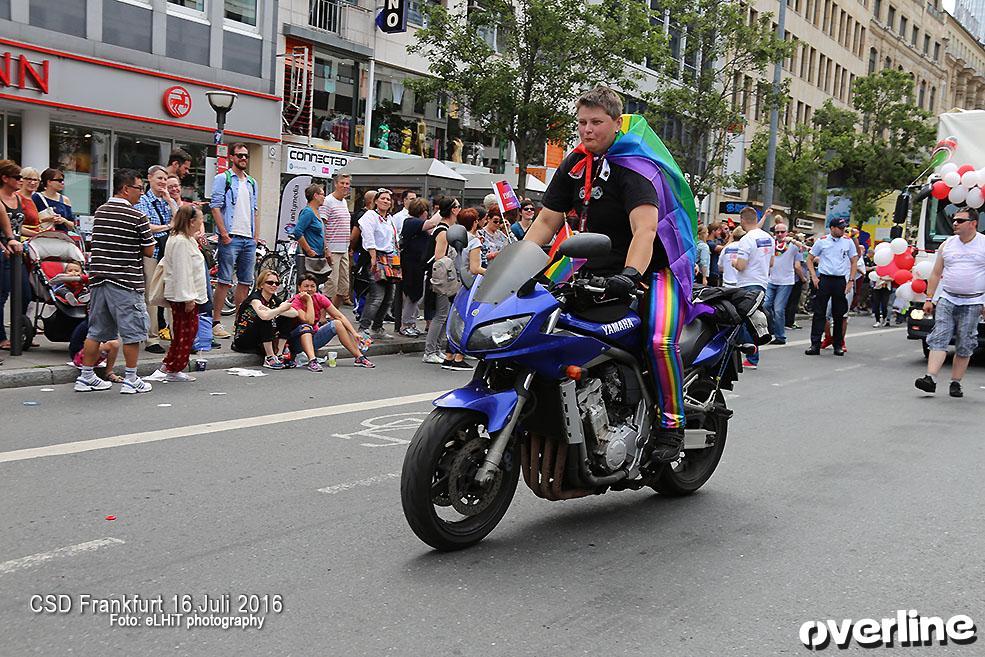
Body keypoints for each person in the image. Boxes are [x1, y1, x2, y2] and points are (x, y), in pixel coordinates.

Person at [525, 86, 698, 463]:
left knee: (659, 341)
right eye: (582, 122)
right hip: (591, 268)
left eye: (596, 122)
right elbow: (546, 221)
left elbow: (645, 231)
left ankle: (672, 425)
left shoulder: (634, 168)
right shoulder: (574, 165)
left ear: (616, 124)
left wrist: (630, 273)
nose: (587, 130)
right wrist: (519, 263)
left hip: (652, 270)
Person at [74, 168, 157, 393]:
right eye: (139, 188)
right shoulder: (137, 216)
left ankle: (86, 376)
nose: (141, 193)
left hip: (99, 280)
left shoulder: (100, 211)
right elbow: (149, 250)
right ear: (125, 188)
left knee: (96, 331)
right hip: (126, 281)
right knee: (133, 332)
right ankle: (131, 379)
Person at [915, 207, 985, 398]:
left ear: (973, 223)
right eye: (954, 220)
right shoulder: (947, 244)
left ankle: (956, 382)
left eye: (960, 220)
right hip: (947, 298)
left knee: (965, 342)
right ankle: (930, 378)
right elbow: (936, 273)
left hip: (973, 301)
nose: (955, 223)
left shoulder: (983, 244)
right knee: (939, 336)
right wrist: (929, 298)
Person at [145, 205, 209, 383]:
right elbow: (183, 271)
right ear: (191, 222)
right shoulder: (181, 241)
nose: (202, 222)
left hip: (185, 295)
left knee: (184, 332)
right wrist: (188, 298)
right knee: (184, 333)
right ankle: (172, 367)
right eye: (200, 219)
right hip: (184, 296)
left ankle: (170, 365)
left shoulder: (183, 239)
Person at [211, 143, 258, 339]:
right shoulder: (223, 178)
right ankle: (216, 322)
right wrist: (224, 234)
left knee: (245, 282)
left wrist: (255, 236)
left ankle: (240, 322)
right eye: (239, 155)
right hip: (231, 235)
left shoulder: (252, 182)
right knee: (224, 281)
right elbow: (215, 206)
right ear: (231, 157)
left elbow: (255, 209)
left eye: (246, 155)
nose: (243, 159)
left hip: (248, 238)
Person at [285, 274, 375, 370]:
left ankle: (359, 357)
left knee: (337, 323)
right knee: (306, 327)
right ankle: (312, 361)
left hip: (313, 338)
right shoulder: (295, 301)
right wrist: (309, 301)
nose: (310, 289)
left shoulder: (319, 297)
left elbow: (339, 316)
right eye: (306, 286)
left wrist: (354, 333)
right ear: (299, 288)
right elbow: (309, 321)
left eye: (312, 286)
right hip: (295, 342)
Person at [422, 197, 469, 369]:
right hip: (441, 278)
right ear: (453, 210)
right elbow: (439, 257)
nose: (460, 208)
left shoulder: (447, 229)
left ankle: (437, 348)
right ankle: (430, 351)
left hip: (446, 277)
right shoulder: (443, 231)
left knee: (445, 314)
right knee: (441, 314)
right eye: (457, 206)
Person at [804, 217, 858, 357]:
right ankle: (815, 344)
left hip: (840, 279)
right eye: (840, 228)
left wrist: (851, 280)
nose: (843, 230)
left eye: (844, 228)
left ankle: (838, 345)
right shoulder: (822, 241)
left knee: (839, 314)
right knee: (819, 313)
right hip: (825, 279)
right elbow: (809, 259)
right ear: (832, 228)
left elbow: (854, 261)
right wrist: (814, 276)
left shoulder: (848, 242)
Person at [135, 165, 174, 353]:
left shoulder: (166, 201)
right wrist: (167, 226)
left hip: (169, 253)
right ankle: (152, 338)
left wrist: (170, 200)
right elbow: (146, 226)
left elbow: (180, 221)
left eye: (165, 179)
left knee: (173, 294)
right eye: (159, 178)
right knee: (151, 296)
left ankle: (176, 336)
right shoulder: (143, 200)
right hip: (152, 253)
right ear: (149, 178)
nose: (163, 182)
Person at [732, 207, 775, 369]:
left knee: (742, 321)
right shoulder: (769, 238)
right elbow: (771, 263)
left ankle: (751, 355)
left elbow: (741, 266)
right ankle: (752, 354)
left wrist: (733, 262)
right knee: (753, 320)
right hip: (762, 282)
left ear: (742, 220)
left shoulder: (746, 239)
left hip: (747, 283)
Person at [231, 268, 299, 369]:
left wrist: (274, 310)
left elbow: (295, 313)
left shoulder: (273, 299)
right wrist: (279, 309)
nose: (274, 285)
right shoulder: (255, 298)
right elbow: (265, 316)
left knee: (286, 317)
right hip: (244, 338)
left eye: (277, 283)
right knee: (266, 318)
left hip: (260, 336)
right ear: (261, 284)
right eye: (270, 282)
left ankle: (279, 354)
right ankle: (269, 357)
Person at [357, 188, 400, 339]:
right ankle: (363, 327)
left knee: (389, 296)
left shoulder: (390, 219)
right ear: (375, 201)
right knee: (377, 295)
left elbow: (395, 240)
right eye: (383, 198)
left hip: (390, 259)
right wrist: (373, 257)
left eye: (388, 199)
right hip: (376, 257)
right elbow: (368, 236)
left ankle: (377, 327)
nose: (386, 201)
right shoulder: (370, 216)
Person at [0, 160, 33, 350]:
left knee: (25, 293)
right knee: (2, 293)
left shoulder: (18, 199)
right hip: (4, 249)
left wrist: (38, 235)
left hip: (17, 249)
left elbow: (18, 227)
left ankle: (19, 332)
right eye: (17, 177)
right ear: (5, 178)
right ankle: (2, 337)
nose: (21, 181)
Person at [763, 222, 802, 346]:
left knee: (779, 309)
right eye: (777, 232)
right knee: (765, 306)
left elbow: (803, 248)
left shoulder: (792, 245)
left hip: (785, 281)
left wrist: (794, 240)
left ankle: (780, 336)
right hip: (771, 280)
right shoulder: (771, 244)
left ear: (786, 232)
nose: (779, 234)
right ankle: (772, 330)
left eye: (782, 232)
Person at [398, 198, 431, 337]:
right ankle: (405, 325)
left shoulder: (417, 224)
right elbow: (432, 223)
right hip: (411, 265)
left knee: (417, 295)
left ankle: (411, 323)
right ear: (422, 212)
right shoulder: (411, 222)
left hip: (419, 264)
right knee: (412, 295)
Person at [320, 174, 353, 308]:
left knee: (343, 286)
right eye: (342, 183)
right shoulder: (328, 201)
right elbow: (322, 225)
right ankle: (322, 316)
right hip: (332, 249)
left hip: (344, 248)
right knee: (330, 285)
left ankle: (334, 313)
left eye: (347, 184)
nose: (345, 186)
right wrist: (326, 248)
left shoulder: (344, 202)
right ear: (335, 184)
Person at [293, 183, 331, 285]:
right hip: (309, 257)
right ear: (315, 195)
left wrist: (326, 249)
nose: (324, 197)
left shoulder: (317, 211)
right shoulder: (308, 212)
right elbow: (297, 232)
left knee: (317, 285)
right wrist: (308, 250)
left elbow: (321, 234)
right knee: (308, 285)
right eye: (322, 194)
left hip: (318, 256)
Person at [706, 221, 725, 286]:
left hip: (716, 272)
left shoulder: (717, 241)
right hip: (712, 273)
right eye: (719, 230)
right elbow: (722, 248)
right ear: (713, 231)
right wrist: (731, 240)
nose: (720, 232)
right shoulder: (709, 243)